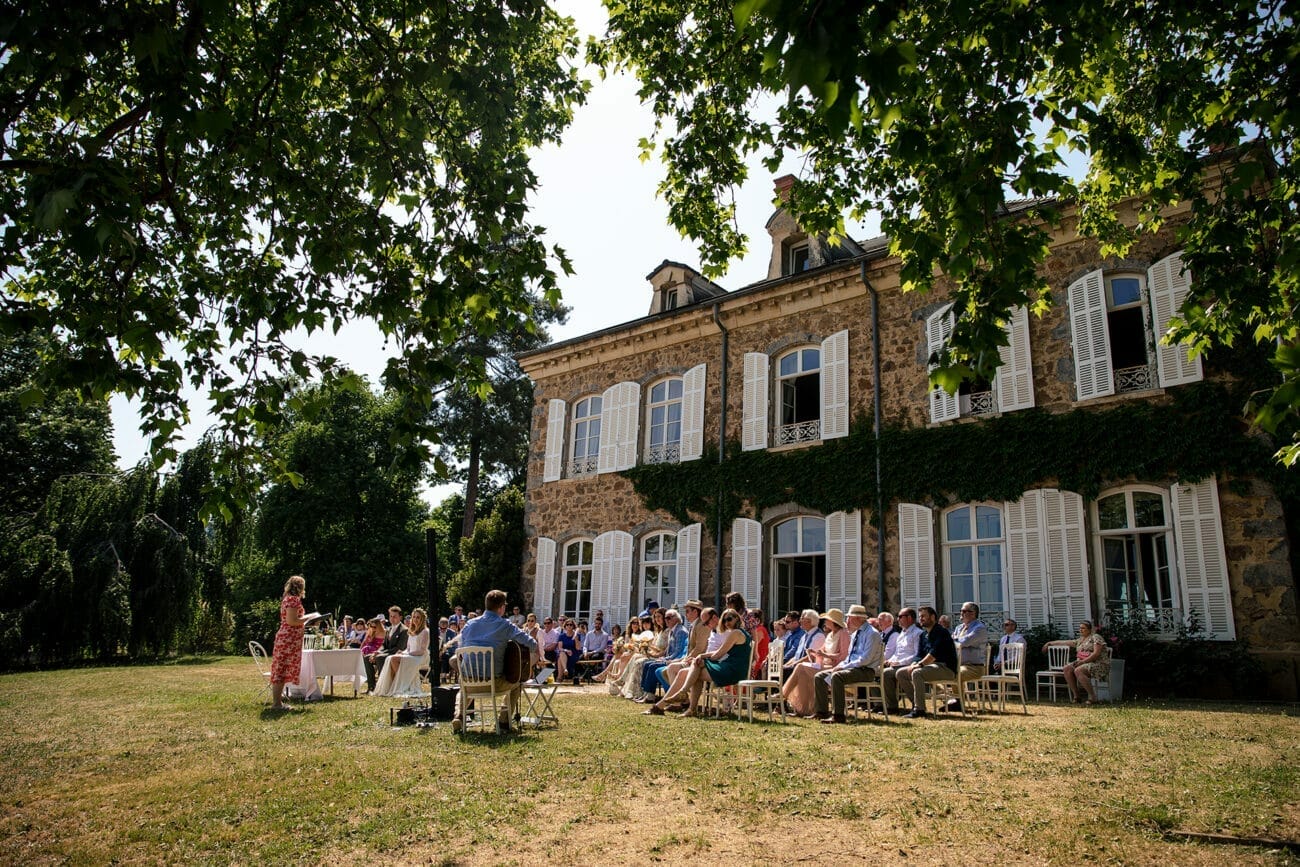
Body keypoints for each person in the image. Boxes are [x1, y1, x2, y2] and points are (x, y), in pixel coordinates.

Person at [452, 589, 539, 732]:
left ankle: (459, 716)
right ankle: (503, 722)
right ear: (502, 607)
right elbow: (531, 644)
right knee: (517, 684)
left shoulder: (469, 624)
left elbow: (462, 646)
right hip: (493, 682)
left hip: (469, 683)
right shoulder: (505, 625)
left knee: (463, 687)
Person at [645, 609, 750, 717]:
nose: (726, 623)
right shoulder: (740, 633)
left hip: (732, 670)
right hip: (730, 667)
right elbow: (721, 652)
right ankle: (678, 704)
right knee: (688, 671)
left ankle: (683, 699)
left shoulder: (735, 633)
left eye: (729, 619)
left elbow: (719, 654)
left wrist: (702, 656)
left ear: (737, 618)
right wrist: (701, 657)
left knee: (695, 668)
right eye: (724, 620)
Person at [815, 605, 884, 724]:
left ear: (858, 618)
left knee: (838, 677)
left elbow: (866, 659)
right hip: (854, 668)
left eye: (850, 618)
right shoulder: (855, 634)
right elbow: (849, 656)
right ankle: (822, 712)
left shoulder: (872, 634)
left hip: (866, 670)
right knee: (819, 677)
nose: (847, 621)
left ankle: (838, 715)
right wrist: (841, 665)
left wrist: (843, 667)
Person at [783, 608, 849, 717]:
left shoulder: (843, 634)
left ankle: (783, 695)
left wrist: (826, 655)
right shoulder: (830, 635)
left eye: (827, 620)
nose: (825, 622)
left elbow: (844, 656)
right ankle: (804, 710)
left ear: (833, 622)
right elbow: (821, 652)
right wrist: (813, 652)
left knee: (800, 667)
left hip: (835, 667)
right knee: (802, 673)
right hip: (824, 665)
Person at [898, 606, 959, 719]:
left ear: (932, 617)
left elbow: (933, 654)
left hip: (946, 669)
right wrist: (913, 664)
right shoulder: (923, 635)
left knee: (917, 673)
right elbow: (919, 655)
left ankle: (920, 710)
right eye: (920, 616)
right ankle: (915, 704)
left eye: (923, 616)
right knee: (901, 673)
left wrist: (919, 665)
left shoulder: (941, 632)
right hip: (931, 667)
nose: (921, 619)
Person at [1044, 620, 1111, 704]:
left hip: (1098, 664)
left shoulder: (1095, 637)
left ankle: (1092, 697)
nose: (1081, 630)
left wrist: (1083, 662)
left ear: (1089, 630)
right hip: (1084, 663)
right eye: (1080, 628)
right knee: (1067, 668)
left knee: (1078, 670)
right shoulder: (1080, 640)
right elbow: (1065, 642)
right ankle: (1077, 696)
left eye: (1083, 628)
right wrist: (1049, 643)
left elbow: (1096, 654)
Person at [269, 575, 309, 710]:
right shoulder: (293, 600)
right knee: (281, 669)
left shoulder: (288, 599)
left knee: (281, 669)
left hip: (287, 639)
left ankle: (277, 703)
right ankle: (277, 704)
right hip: (288, 640)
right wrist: (308, 618)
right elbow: (292, 621)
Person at [373, 608, 431, 697]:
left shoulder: (425, 631)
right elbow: (408, 648)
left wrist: (407, 654)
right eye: (414, 617)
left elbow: (422, 650)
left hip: (420, 657)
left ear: (422, 619)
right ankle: (392, 686)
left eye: (418, 617)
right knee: (390, 658)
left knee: (394, 659)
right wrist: (402, 652)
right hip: (411, 655)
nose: (415, 619)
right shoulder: (411, 631)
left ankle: (402, 684)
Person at [620, 608, 672, 700]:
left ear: (664, 617)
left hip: (661, 657)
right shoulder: (658, 632)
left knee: (639, 662)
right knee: (635, 657)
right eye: (655, 617)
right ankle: (628, 688)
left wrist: (652, 653)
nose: (657, 619)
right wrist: (647, 648)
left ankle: (638, 691)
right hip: (654, 655)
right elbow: (656, 647)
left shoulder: (668, 631)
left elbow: (665, 650)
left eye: (659, 617)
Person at [880, 608, 923, 713]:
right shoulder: (902, 634)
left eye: (900, 617)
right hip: (898, 664)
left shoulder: (918, 633)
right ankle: (892, 706)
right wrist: (890, 660)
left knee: (894, 673)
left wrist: (899, 662)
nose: (897, 619)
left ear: (909, 618)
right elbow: (897, 653)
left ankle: (916, 703)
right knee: (884, 673)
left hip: (911, 664)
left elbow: (917, 654)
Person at [949, 603, 988, 712]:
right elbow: (952, 643)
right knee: (942, 673)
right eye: (961, 611)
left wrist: (955, 640)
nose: (961, 613)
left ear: (973, 613)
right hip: (959, 664)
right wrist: (956, 640)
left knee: (955, 673)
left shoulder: (980, 628)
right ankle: (952, 699)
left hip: (974, 667)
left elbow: (964, 642)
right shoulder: (959, 628)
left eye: (964, 611)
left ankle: (958, 702)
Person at [365, 606, 408, 692]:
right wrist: (377, 652)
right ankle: (371, 686)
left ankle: (382, 686)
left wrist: (379, 654)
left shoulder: (404, 630)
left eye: (395, 616)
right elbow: (384, 645)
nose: (392, 618)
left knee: (379, 658)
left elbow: (399, 648)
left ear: (400, 617)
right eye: (391, 616)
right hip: (386, 652)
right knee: (366, 657)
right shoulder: (389, 629)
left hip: (397, 654)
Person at [782, 609, 822, 676]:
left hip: (809, 668)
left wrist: (793, 664)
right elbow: (796, 656)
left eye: (802, 618)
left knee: (785, 672)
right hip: (799, 665)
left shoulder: (818, 636)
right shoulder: (804, 636)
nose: (800, 621)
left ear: (809, 621)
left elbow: (810, 657)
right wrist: (786, 665)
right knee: (781, 670)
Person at [745, 608, 770, 678]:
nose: (748, 620)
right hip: (756, 659)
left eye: (750, 618)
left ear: (757, 620)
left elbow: (751, 646)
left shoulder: (759, 630)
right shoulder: (759, 629)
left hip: (758, 661)